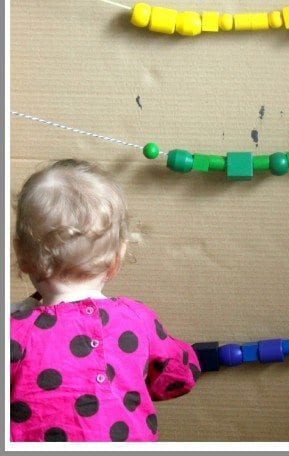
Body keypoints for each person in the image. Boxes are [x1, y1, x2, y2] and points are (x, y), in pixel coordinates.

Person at [10, 159, 201, 442]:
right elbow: (179, 375)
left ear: (22, 256)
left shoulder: (15, 333)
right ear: (117, 259)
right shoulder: (137, 319)